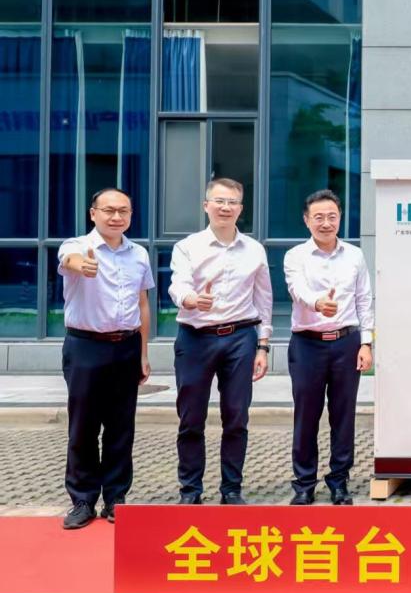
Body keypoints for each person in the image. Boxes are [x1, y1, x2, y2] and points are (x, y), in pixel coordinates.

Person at [168, 178, 273, 505]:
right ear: (206, 205)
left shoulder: (254, 250)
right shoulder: (188, 246)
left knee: (237, 417)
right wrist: (190, 299)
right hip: (195, 338)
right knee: (191, 419)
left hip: (240, 339)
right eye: (219, 201)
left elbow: (264, 300)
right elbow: (178, 284)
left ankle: (231, 489)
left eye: (232, 202)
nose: (225, 207)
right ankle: (190, 491)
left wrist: (263, 346)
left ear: (240, 209)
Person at [56, 188, 153, 529]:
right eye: (109, 210)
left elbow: (143, 304)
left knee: (121, 426)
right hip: (86, 346)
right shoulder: (77, 245)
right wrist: (81, 264)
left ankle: (115, 498)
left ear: (130, 215)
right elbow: (69, 260)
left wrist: (143, 353)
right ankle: (82, 499)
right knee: (83, 425)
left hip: (126, 346)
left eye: (123, 211)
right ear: (93, 213)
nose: (116, 217)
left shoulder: (139, 254)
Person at [283, 189, 374, 505]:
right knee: (306, 416)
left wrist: (366, 343)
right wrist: (317, 303)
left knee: (343, 415)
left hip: (346, 343)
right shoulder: (295, 256)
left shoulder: (355, 255)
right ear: (306, 220)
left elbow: (364, 300)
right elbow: (296, 288)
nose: (326, 223)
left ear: (340, 218)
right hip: (307, 345)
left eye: (332, 217)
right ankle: (304, 483)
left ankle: (339, 481)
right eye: (319, 217)